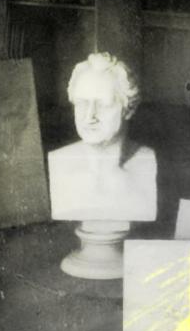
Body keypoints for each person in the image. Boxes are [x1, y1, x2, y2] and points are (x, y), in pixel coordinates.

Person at [48, 52, 157, 222]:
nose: (89, 116)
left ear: (128, 109)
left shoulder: (146, 163)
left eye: (102, 105)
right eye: (82, 103)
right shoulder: (59, 162)